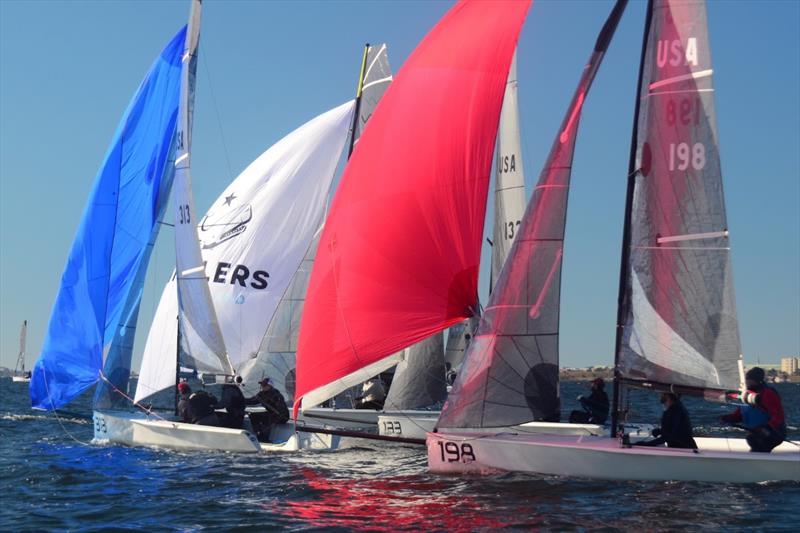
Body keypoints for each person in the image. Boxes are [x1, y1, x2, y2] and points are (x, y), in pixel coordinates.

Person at [721, 367, 786, 453]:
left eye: (747, 379)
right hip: (757, 433)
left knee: (753, 440)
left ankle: (760, 462)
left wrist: (766, 428)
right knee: (753, 439)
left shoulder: (767, 394)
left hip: (773, 433)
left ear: (754, 380)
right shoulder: (746, 395)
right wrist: (728, 418)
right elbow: (739, 415)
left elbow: (778, 416)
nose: (745, 381)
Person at [245, 378, 290, 443]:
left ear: (269, 386)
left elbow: (281, 408)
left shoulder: (276, 395)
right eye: (262, 385)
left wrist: (279, 416)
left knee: (267, 418)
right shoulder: (262, 394)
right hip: (272, 414)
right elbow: (252, 401)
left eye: (264, 385)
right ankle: (258, 433)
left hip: (282, 416)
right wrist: (240, 399)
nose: (262, 386)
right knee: (253, 415)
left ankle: (264, 438)